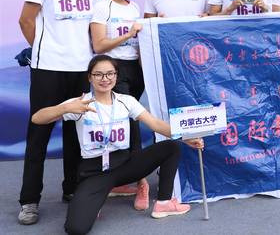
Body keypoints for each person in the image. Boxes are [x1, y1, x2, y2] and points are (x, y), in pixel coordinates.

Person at [31, 55, 204, 234]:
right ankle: (98, 198)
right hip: (95, 172)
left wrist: (185, 137)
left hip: (125, 165)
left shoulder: (126, 101)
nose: (105, 79)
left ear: (116, 76)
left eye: (110, 73)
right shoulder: (80, 103)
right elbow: (37, 118)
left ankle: (164, 203)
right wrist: (65, 108)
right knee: (75, 228)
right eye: (98, 74)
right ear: (90, 77)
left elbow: (155, 124)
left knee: (171, 147)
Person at [18, 0, 103, 225]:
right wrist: (45, 51)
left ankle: (72, 189)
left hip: (81, 68)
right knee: (39, 134)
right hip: (49, 68)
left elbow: (94, 25)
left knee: (76, 134)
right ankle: (29, 200)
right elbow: (26, 20)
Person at [90, 0, 149, 208]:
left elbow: (139, 41)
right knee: (132, 123)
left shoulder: (134, 7)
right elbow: (99, 45)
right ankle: (142, 183)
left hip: (136, 69)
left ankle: (120, 179)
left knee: (124, 124)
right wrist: (128, 34)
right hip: (114, 70)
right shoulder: (102, 7)